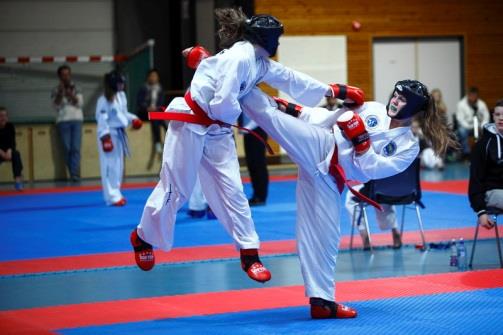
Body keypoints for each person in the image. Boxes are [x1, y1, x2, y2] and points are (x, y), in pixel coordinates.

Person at [132, 8, 358, 285]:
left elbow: (288, 77)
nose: (278, 44)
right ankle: (143, 237)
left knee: (234, 191)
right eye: (277, 38)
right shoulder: (240, 58)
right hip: (192, 121)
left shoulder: (258, 61)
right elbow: (221, 102)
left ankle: (249, 253)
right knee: (176, 188)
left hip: (217, 129)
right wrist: (240, 101)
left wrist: (333, 91)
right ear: (266, 37)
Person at [240, 79, 456, 319]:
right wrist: (291, 109)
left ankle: (322, 301)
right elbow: (327, 117)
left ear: (414, 108)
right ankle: (235, 82)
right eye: (395, 95)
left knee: (325, 240)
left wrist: (361, 141)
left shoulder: (408, 146)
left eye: (402, 99)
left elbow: (372, 170)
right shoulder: (372, 108)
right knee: (273, 117)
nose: (395, 101)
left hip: (331, 180)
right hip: (321, 146)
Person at [96, 71, 142, 206]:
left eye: (123, 83)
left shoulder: (121, 96)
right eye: (119, 83)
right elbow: (101, 119)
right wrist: (105, 138)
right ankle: (111, 197)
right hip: (108, 134)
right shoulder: (103, 100)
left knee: (118, 166)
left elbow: (123, 113)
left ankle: (116, 192)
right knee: (108, 166)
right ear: (113, 84)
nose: (122, 85)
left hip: (120, 133)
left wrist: (134, 119)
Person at [469, 99, 503, 229]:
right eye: (498, 114)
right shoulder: (483, 144)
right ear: (493, 116)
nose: (501, 118)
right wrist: (481, 211)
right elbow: (475, 179)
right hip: (491, 192)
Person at [51, 65, 83, 182]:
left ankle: (75, 174)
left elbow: (79, 103)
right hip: (63, 121)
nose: (66, 77)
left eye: (67, 74)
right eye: (63, 75)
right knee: (67, 148)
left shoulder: (77, 87)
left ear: (70, 75)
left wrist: (69, 93)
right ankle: (72, 172)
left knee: (75, 148)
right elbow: (56, 106)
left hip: (76, 120)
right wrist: (60, 93)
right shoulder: (55, 89)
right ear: (59, 76)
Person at [239, 113, 269, 206]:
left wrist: (247, 127)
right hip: (249, 129)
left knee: (257, 163)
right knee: (252, 163)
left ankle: (260, 196)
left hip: (256, 128)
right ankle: (257, 194)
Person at [136, 69, 167, 154]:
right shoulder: (143, 88)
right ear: (148, 77)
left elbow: (161, 102)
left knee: (163, 120)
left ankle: (167, 140)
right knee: (155, 118)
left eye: (155, 76)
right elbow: (139, 102)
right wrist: (147, 108)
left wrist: (156, 108)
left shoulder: (160, 89)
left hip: (155, 113)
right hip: (145, 113)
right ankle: (157, 142)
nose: (154, 78)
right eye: (152, 76)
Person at [456, 87, 490, 159]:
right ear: (468, 95)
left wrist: (482, 126)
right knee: (461, 131)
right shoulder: (461, 104)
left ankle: (484, 152)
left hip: (479, 126)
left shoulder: (481, 104)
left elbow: (486, 117)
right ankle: (467, 153)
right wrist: (472, 127)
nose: (473, 98)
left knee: (488, 130)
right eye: (471, 95)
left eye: (475, 96)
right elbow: (460, 120)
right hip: (467, 127)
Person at [0, 107, 24, 191]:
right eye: (1, 116)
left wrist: (10, 150)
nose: (3, 118)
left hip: (8, 151)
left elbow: (12, 142)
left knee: (16, 154)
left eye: (5, 116)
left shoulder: (10, 126)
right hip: (0, 152)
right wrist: (2, 153)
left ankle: (18, 181)